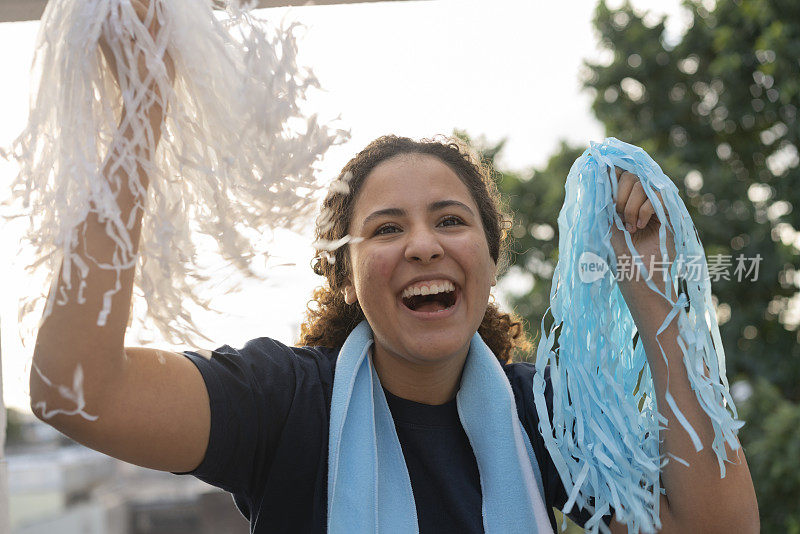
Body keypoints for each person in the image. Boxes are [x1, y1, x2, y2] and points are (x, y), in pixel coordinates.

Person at [29, 2, 759, 533]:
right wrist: (143, 110)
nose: (423, 245)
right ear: (344, 277)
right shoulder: (284, 405)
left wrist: (656, 293)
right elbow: (75, 392)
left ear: (488, 257)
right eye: (386, 228)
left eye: (450, 220)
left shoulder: (544, 414)